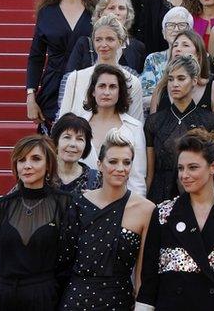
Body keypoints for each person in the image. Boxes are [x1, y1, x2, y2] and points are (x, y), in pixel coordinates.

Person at [137, 129, 214, 310]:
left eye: (193, 167)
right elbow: (149, 280)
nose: (184, 175)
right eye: (181, 168)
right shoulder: (163, 214)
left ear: (213, 167)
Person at [0, 135, 74, 310]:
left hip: (45, 297)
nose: (27, 165)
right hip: (3, 296)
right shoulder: (1, 206)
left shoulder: (65, 203)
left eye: (35, 159)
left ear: (49, 164)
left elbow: (69, 257)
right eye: (21, 160)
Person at [61, 129, 155, 311]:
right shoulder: (78, 203)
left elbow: (143, 274)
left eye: (126, 162)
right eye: (113, 161)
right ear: (100, 165)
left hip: (118, 301)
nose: (120, 168)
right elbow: (64, 260)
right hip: (75, 299)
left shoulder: (146, 209)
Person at [27, 0, 98, 127]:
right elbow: (36, 57)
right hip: (53, 84)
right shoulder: (47, 13)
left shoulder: (96, 11)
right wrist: (31, 96)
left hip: (88, 83)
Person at [145, 55, 214, 202]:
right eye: (170, 79)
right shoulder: (154, 121)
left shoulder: (211, 120)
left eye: (181, 78)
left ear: (194, 81)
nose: (174, 84)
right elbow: (150, 174)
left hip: (198, 195)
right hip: (159, 197)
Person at [75, 63, 147, 194]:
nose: (106, 92)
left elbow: (137, 180)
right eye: (102, 86)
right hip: (78, 204)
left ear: (120, 92)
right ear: (93, 91)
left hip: (120, 206)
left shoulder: (134, 128)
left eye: (112, 87)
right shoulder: (78, 124)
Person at [65, 0, 146, 74]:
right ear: (100, 13)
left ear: (127, 14)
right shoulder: (84, 44)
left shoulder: (137, 47)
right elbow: (69, 79)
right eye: (111, 8)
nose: (117, 12)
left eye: (121, 8)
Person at [50, 113, 100, 195]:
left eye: (79, 139)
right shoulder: (43, 175)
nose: (73, 144)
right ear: (56, 141)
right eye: (67, 137)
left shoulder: (95, 178)